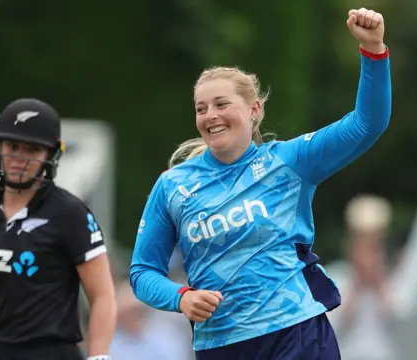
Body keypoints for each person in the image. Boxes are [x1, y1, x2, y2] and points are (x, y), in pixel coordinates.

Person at [130, 8, 391, 360]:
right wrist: (182, 297)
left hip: (296, 333)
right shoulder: (173, 186)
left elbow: (367, 124)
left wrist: (373, 50)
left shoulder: (288, 161)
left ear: (254, 109)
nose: (210, 116)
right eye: (201, 108)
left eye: (221, 104)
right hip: (222, 346)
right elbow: (143, 271)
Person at [0, 99, 117, 360]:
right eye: (12, 146)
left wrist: (99, 355)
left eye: (31, 149)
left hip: (50, 352)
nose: (19, 157)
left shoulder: (70, 214)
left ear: (50, 154)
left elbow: (102, 296)